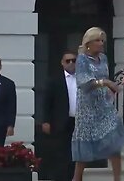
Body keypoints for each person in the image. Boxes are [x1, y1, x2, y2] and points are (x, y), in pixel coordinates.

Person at [71, 27, 124, 181]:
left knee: (114, 142)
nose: (101, 43)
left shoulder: (103, 58)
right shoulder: (82, 59)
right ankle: (77, 178)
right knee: (84, 147)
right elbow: (84, 82)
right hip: (88, 108)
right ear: (88, 43)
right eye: (97, 40)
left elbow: (106, 78)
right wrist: (105, 82)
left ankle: (118, 179)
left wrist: (112, 89)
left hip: (104, 105)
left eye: (102, 40)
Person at [42, 50, 77, 181]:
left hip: (78, 121)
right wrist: (46, 121)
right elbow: (47, 102)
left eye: (74, 60)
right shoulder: (55, 80)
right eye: (68, 61)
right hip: (61, 121)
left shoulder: (82, 79)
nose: (71, 63)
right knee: (61, 153)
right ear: (62, 63)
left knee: (77, 153)